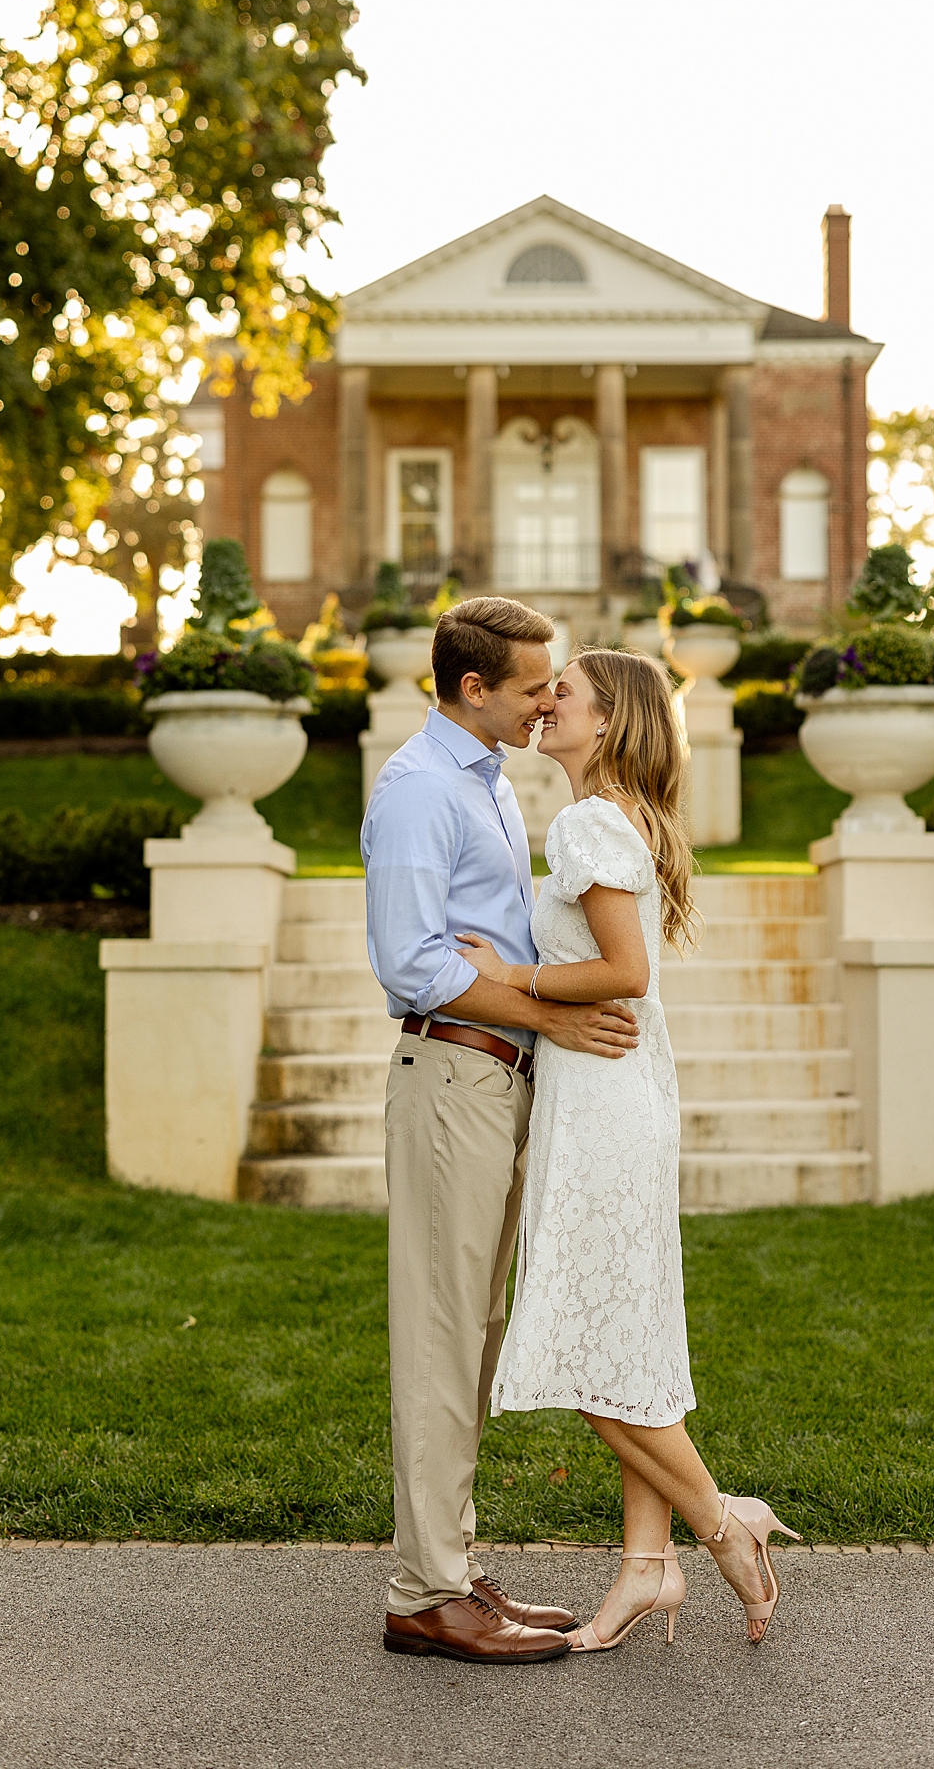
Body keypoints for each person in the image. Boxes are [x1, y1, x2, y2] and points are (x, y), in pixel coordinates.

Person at [456, 648, 802, 1652]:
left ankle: (720, 1522)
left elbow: (625, 970)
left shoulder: (588, 820)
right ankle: (645, 1570)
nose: (545, 699)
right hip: (618, 1093)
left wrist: (513, 976)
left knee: (574, 1347)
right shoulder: (618, 817)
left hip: (606, 1105)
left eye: (564, 691)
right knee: (627, 1350)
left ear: (608, 722)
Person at [362, 596, 641, 1667]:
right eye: (531, 685)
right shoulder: (421, 787)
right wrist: (549, 1009)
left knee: (469, 1333)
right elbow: (412, 961)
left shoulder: (475, 778)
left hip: (491, 1079)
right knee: (441, 1336)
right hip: (451, 1077)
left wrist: (527, 991)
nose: (545, 700)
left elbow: (481, 940)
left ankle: (448, 1565)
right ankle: (424, 1593)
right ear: (473, 687)